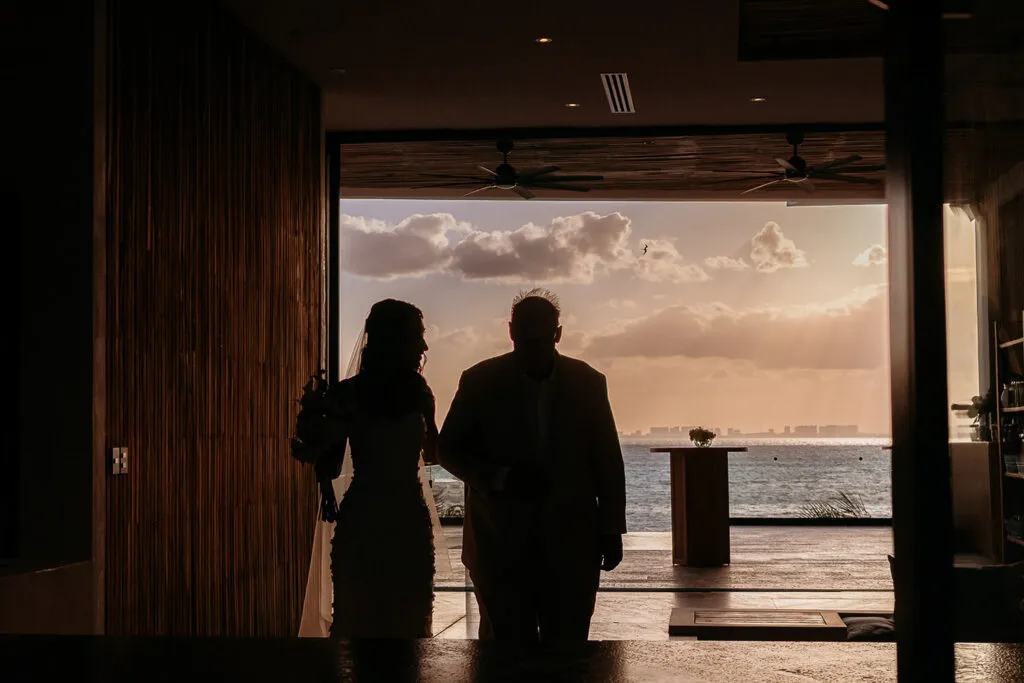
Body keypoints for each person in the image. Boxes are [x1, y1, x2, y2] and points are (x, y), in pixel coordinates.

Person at [438, 289, 627, 642]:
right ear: (511, 332)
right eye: (527, 339)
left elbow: (607, 459)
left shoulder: (590, 382)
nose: (533, 348)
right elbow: (447, 449)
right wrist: (500, 479)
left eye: (539, 339)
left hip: (571, 548)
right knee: (505, 652)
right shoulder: (478, 381)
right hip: (498, 546)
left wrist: (612, 529)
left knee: (568, 648)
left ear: (557, 334)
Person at [314, 299, 438, 638]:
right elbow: (437, 451)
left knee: (367, 617)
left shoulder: (349, 393)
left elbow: (330, 459)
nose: (424, 346)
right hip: (401, 516)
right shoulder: (418, 393)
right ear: (396, 340)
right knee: (397, 618)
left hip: (367, 513)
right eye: (418, 337)